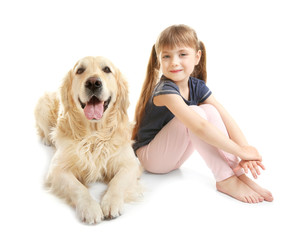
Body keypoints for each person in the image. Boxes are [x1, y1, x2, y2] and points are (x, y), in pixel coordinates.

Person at [132, 24, 273, 203]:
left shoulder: (196, 86)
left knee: (210, 110)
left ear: (197, 56)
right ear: (159, 61)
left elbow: (223, 115)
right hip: (151, 159)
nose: (174, 61)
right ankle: (225, 179)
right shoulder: (165, 91)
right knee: (194, 114)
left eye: (182, 54)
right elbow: (199, 126)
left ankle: (234, 172)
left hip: (173, 158)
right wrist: (240, 151)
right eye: (166, 56)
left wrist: (246, 151)